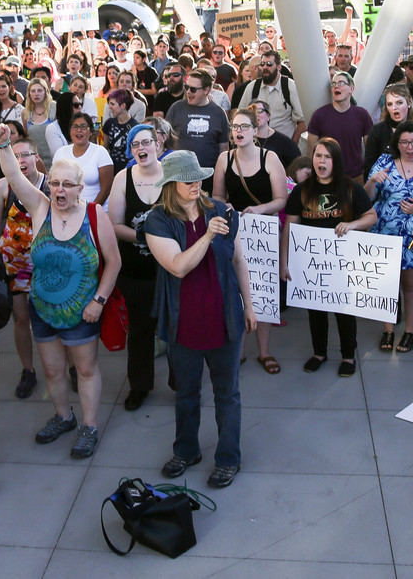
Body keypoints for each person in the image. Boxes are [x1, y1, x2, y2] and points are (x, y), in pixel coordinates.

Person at [0, 122, 121, 459]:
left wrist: (99, 301)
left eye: (67, 185)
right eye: (55, 184)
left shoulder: (95, 216)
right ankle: (63, 416)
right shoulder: (40, 208)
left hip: (82, 311)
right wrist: (5, 145)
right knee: (51, 369)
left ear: (81, 188)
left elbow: (114, 261)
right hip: (43, 308)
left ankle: (89, 427)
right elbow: (15, 178)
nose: (60, 190)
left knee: (87, 370)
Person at [144, 151, 257, 488]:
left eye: (198, 177)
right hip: (184, 322)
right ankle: (186, 450)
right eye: (188, 179)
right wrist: (207, 236)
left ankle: (228, 458)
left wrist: (249, 306)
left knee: (228, 393)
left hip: (224, 319)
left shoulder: (222, 211)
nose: (196, 184)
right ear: (170, 184)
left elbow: (239, 261)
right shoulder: (157, 221)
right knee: (187, 393)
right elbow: (178, 266)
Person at [284, 138, 377, 375]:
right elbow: (290, 228)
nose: (321, 161)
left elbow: (371, 216)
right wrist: (284, 261)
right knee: (315, 311)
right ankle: (319, 352)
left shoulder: (350, 187)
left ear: (336, 161)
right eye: (318, 156)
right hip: (311, 262)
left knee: (344, 311)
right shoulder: (301, 190)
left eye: (327, 157)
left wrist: (352, 224)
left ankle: (348, 356)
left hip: (342, 262)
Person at [213, 108, 288, 371]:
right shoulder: (225, 159)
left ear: (256, 131)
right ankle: (239, 350)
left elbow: (281, 199)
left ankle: (265, 352)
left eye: (245, 127)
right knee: (237, 291)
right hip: (235, 231)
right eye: (235, 127)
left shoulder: (270, 158)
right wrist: (227, 209)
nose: (239, 131)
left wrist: (260, 209)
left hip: (263, 232)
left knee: (263, 290)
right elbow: (217, 197)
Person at [107, 124, 168, 410]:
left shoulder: (172, 176)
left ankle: (182, 383)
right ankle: (139, 387)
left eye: (146, 142)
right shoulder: (123, 178)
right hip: (135, 270)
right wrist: (144, 237)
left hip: (170, 271)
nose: (141, 149)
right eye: (135, 145)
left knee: (175, 328)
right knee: (140, 332)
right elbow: (115, 225)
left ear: (158, 144)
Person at [367, 121, 413, 354]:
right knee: (386, 284)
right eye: (405, 142)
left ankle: (410, 331)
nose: (410, 147)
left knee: (412, 284)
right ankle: (388, 329)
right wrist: (372, 182)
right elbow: (367, 197)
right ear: (397, 144)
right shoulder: (384, 163)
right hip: (383, 233)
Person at [0, 136, 48, 400]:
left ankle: (68, 367)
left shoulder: (49, 186)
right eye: (15, 156)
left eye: (25, 155)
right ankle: (28, 370)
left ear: (36, 157)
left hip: (42, 262)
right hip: (12, 262)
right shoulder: (3, 186)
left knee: (50, 316)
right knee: (21, 318)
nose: (21, 160)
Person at [166, 69, 230, 187]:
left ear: (206, 90)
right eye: (187, 87)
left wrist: (222, 179)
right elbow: (165, 141)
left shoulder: (218, 113)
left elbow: (224, 149)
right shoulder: (176, 108)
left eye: (193, 89)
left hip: (209, 177)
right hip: (180, 176)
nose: (188, 92)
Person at [308, 72, 376, 181]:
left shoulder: (362, 114)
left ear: (351, 89)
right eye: (333, 84)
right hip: (327, 177)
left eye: (341, 83)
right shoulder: (319, 115)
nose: (336, 86)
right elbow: (311, 149)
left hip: (356, 177)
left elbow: (370, 147)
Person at [53, 112, 114, 204]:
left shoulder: (100, 152)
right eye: (75, 127)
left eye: (83, 127)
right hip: (67, 209)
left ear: (90, 132)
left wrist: (90, 210)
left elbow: (107, 188)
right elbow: (54, 183)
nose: (79, 130)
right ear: (70, 131)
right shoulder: (61, 152)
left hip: (96, 209)